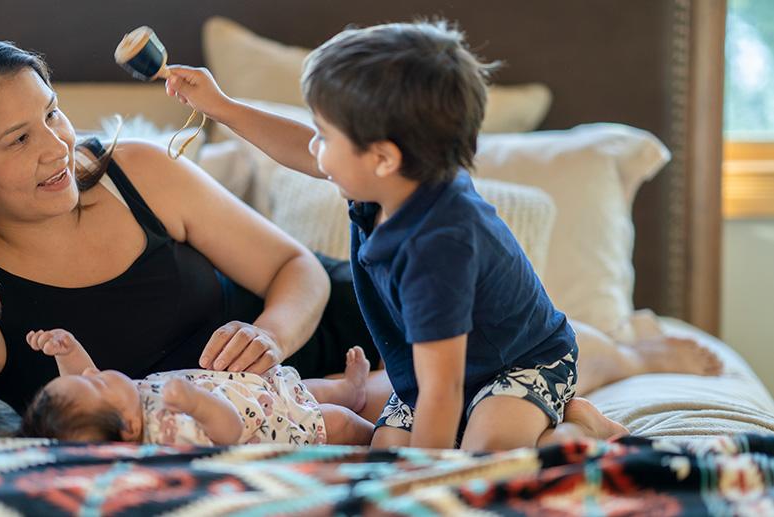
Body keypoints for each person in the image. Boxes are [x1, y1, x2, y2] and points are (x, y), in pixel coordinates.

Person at [163, 20, 633, 452]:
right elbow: (301, 149)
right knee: (383, 452)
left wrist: (417, 488)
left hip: (517, 364)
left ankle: (575, 424)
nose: (315, 147)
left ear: (383, 157)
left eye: (325, 135)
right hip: (426, 374)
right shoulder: (390, 182)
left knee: (485, 455)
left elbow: (444, 391)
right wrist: (221, 107)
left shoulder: (439, 245)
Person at [0, 37, 381, 439]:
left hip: (355, 326)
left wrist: (271, 336)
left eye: (52, 114)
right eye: (18, 140)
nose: (58, 148)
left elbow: (296, 267)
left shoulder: (137, 172)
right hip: (282, 423)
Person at [19, 329, 374, 445]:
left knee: (307, 388)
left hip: (259, 390)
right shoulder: (166, 431)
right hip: (276, 424)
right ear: (128, 427)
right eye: (95, 385)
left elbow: (81, 376)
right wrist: (195, 403)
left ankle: (349, 389)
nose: (92, 373)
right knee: (336, 419)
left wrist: (65, 350)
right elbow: (229, 431)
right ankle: (383, 440)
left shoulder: (125, 402)